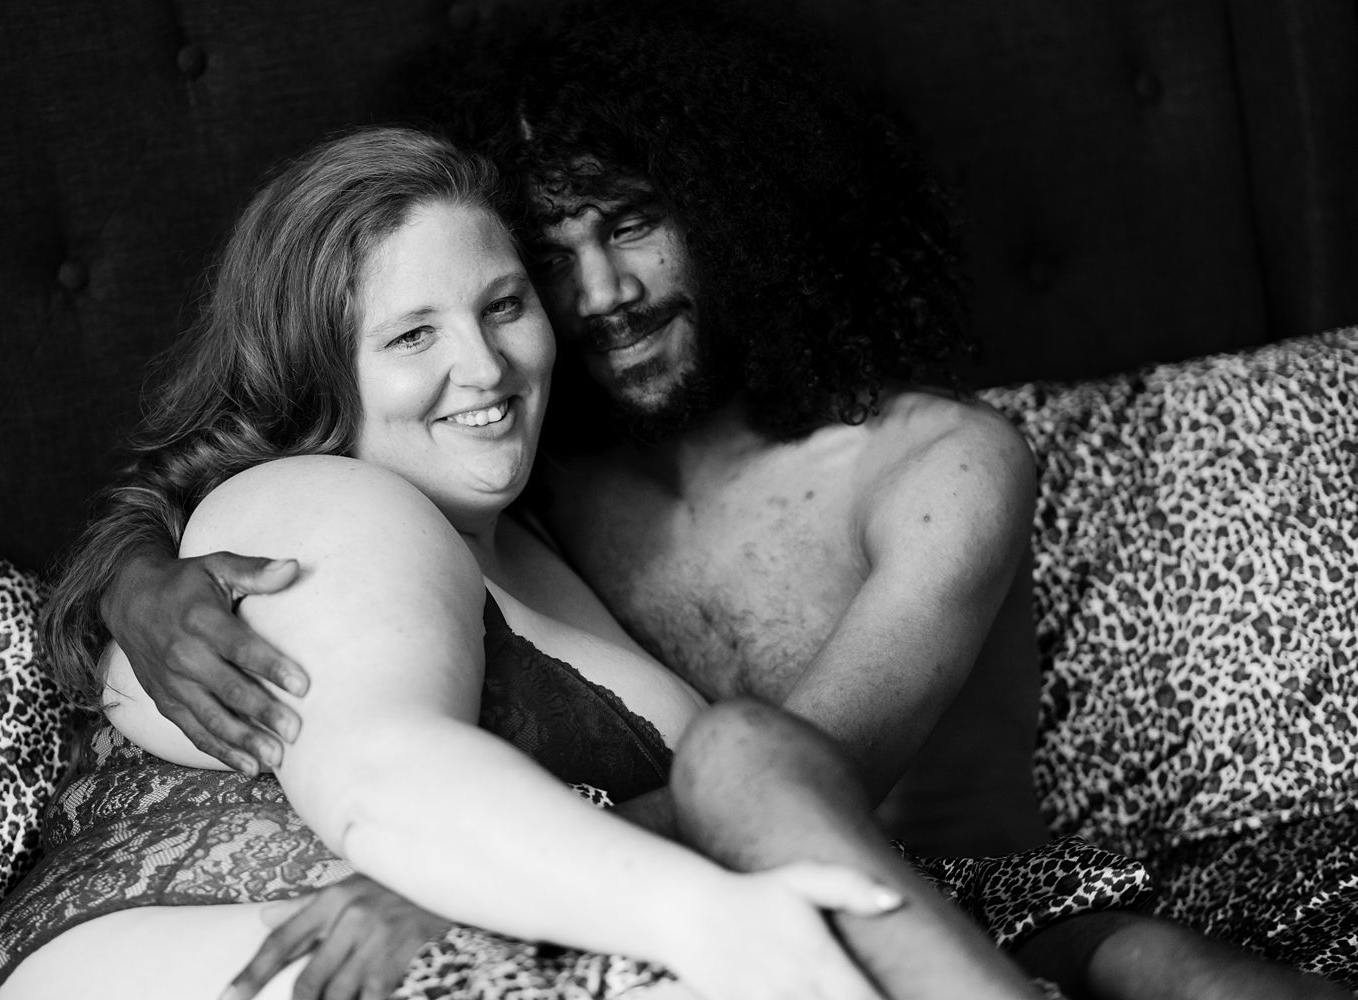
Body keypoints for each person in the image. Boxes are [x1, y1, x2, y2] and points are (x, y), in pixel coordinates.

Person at [83, 4, 1353, 1000]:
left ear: (741, 207)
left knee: (1163, 964)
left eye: (633, 226)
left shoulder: (942, 461)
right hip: (709, 914)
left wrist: (486, 882)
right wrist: (139, 583)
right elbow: (267, 481)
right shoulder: (529, 486)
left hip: (984, 894)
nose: (601, 294)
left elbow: (808, 767)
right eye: (547, 259)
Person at [0, 124, 1155, 1000]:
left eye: (502, 306)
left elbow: (768, 781)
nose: (484, 368)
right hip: (254, 951)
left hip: (504, 942)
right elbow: (384, 781)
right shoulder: (324, 503)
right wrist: (711, 916)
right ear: (322, 371)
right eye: (414, 334)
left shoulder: (536, 524)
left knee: (1124, 948)